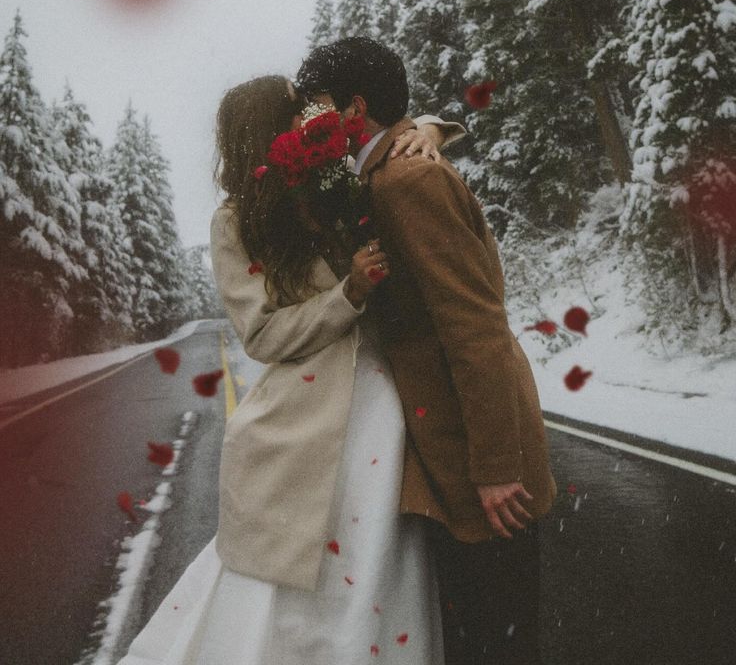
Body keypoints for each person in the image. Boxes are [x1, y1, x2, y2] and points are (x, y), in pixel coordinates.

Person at [117, 74, 465, 664]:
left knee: (378, 553)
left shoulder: (333, 181)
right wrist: (348, 294)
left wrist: (426, 131)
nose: (306, 121)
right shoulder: (235, 222)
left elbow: (387, 141)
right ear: (262, 133)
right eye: (291, 114)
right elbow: (263, 334)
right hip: (301, 417)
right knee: (291, 567)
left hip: (384, 402)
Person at [296, 37, 559, 665]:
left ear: (355, 108)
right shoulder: (383, 171)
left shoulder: (405, 178)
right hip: (445, 436)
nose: (309, 121)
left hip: (471, 443)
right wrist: (432, 127)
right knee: (482, 624)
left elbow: (473, 323)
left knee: (499, 631)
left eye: (318, 106)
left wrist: (495, 464)